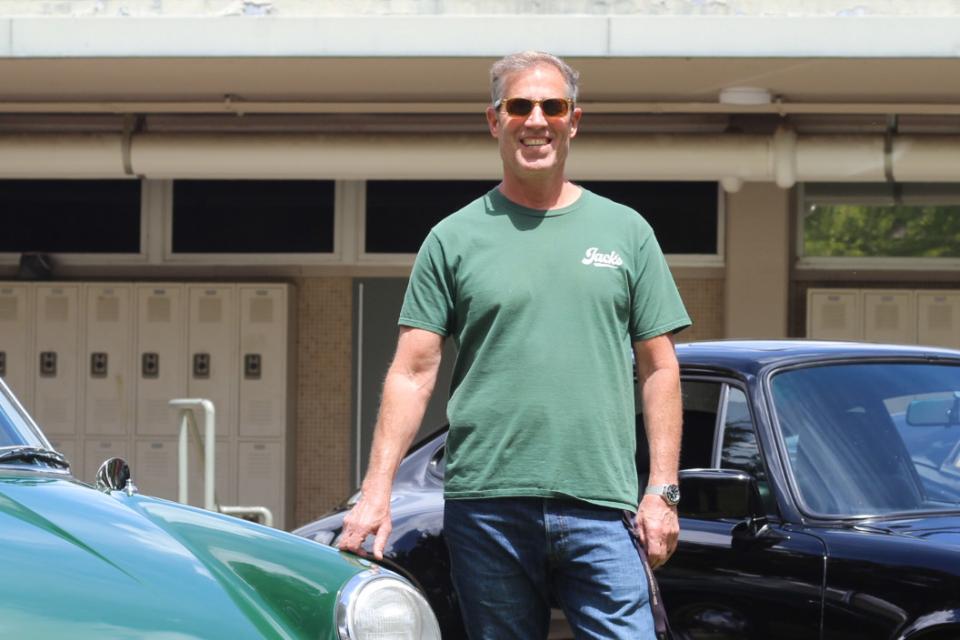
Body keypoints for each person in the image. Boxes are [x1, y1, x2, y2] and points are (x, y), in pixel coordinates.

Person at [338, 50, 691, 639]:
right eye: (519, 106)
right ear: (494, 120)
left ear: (573, 120)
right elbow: (412, 372)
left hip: (600, 502)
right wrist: (376, 493)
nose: (536, 120)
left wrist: (663, 491)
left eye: (552, 106)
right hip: (487, 506)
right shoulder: (452, 238)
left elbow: (660, 369)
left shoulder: (626, 232)